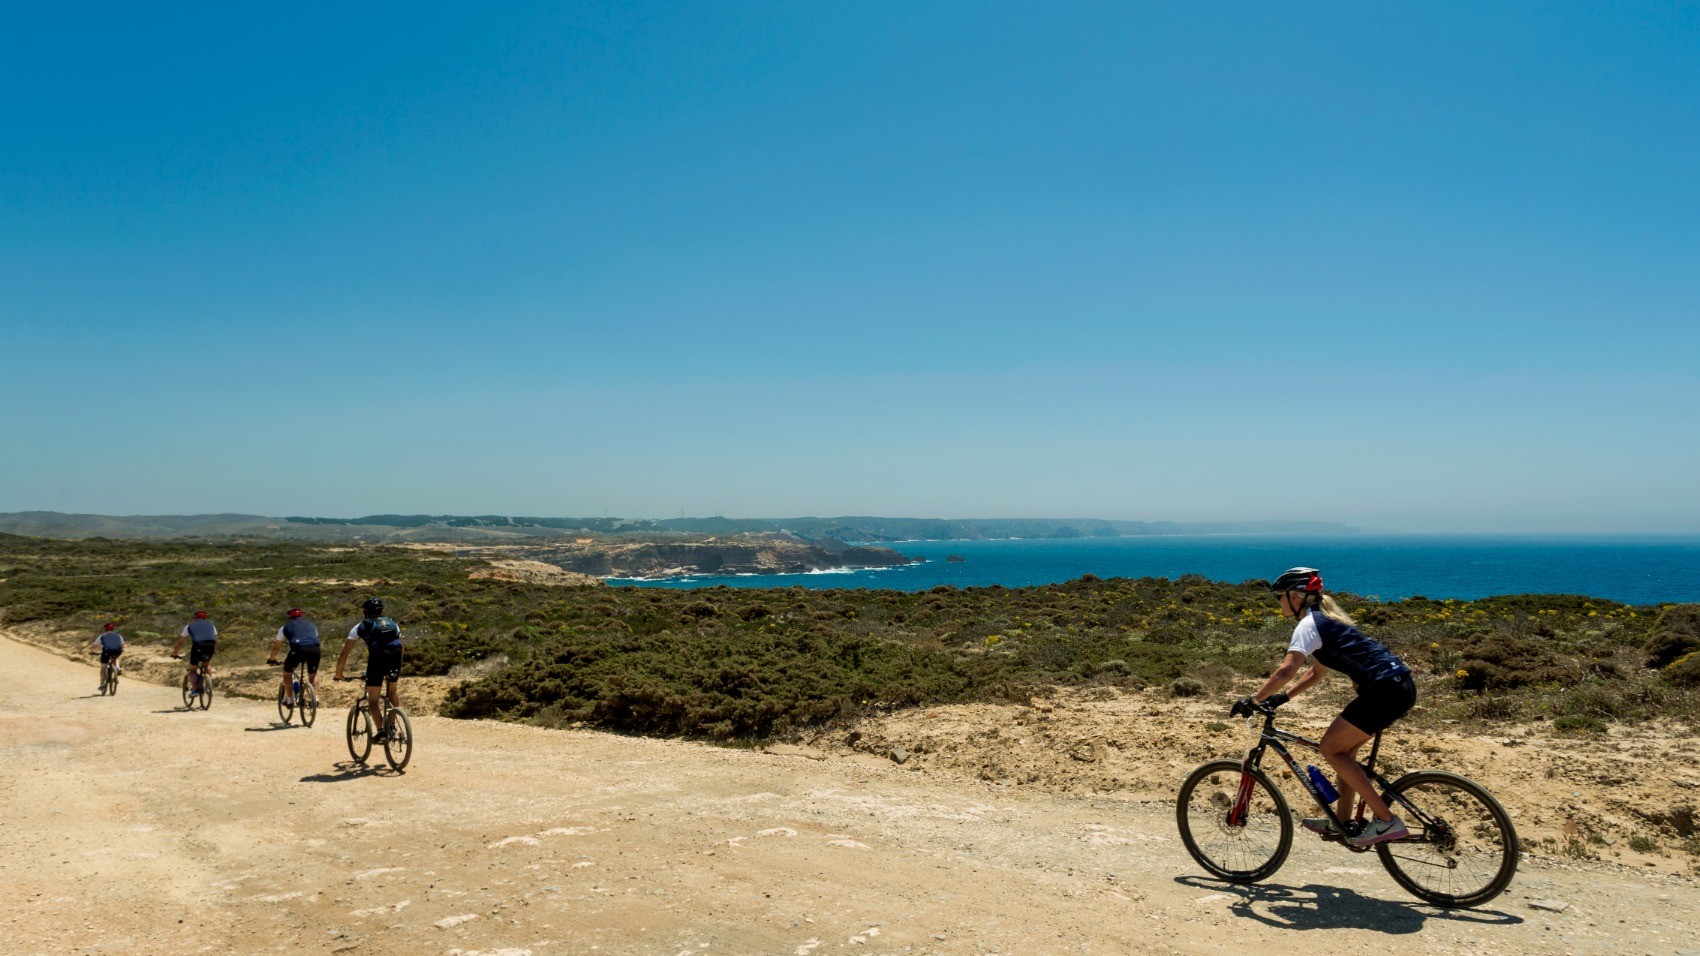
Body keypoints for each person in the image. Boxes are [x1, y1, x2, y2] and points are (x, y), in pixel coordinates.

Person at [1240, 567, 1417, 848]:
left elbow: (1287, 669)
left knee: (1330, 749)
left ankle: (1385, 820)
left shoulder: (1309, 625)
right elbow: (1316, 671)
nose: (1279, 603)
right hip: (1397, 687)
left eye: (1280, 597)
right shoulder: (1327, 621)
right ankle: (1342, 821)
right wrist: (1284, 698)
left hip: (1384, 691)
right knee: (1344, 754)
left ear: (1295, 597)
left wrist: (1254, 700)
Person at [334, 597, 404, 742]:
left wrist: (338, 673)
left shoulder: (359, 627)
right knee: (392, 692)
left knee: (373, 700)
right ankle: (391, 726)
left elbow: (344, 653)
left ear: (364, 612)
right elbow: (401, 646)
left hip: (377, 660)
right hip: (395, 658)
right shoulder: (392, 623)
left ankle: (381, 732)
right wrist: (398, 664)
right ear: (381, 611)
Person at [267, 608, 322, 705]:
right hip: (315, 649)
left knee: (287, 673)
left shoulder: (284, 628)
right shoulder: (311, 625)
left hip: (298, 650)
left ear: (289, 617)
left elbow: (276, 648)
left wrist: (271, 659)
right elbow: (314, 638)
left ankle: (289, 700)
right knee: (313, 674)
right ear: (301, 616)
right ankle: (315, 698)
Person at [171, 611, 219, 698]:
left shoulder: (189, 626)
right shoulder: (211, 625)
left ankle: (195, 689)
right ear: (205, 618)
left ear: (194, 618)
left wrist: (175, 653)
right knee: (207, 664)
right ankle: (208, 686)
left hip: (197, 646)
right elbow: (215, 640)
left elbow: (180, 642)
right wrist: (214, 650)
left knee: (192, 670)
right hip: (210, 646)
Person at [83, 622, 125, 691]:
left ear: (105, 629)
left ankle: (102, 685)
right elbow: (122, 645)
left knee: (103, 668)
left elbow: (95, 645)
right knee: (115, 657)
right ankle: (117, 668)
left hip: (106, 652)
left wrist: (91, 651)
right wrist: (121, 650)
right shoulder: (118, 635)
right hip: (117, 651)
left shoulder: (102, 636)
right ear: (113, 629)